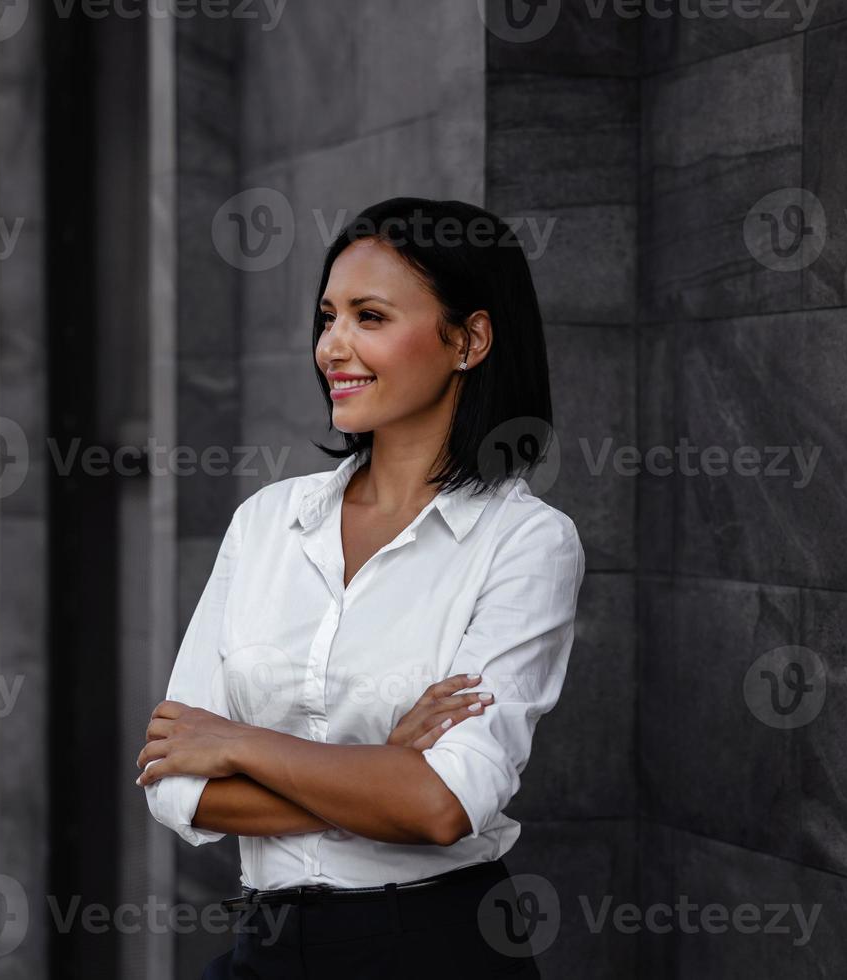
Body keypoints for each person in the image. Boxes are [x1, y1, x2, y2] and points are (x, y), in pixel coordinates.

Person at [136, 197, 585, 978]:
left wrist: (240, 743)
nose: (331, 347)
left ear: (469, 340)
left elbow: (440, 806)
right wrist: (381, 765)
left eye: (369, 317)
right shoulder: (268, 522)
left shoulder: (525, 543)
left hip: (433, 947)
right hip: (266, 945)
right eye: (327, 317)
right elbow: (175, 786)